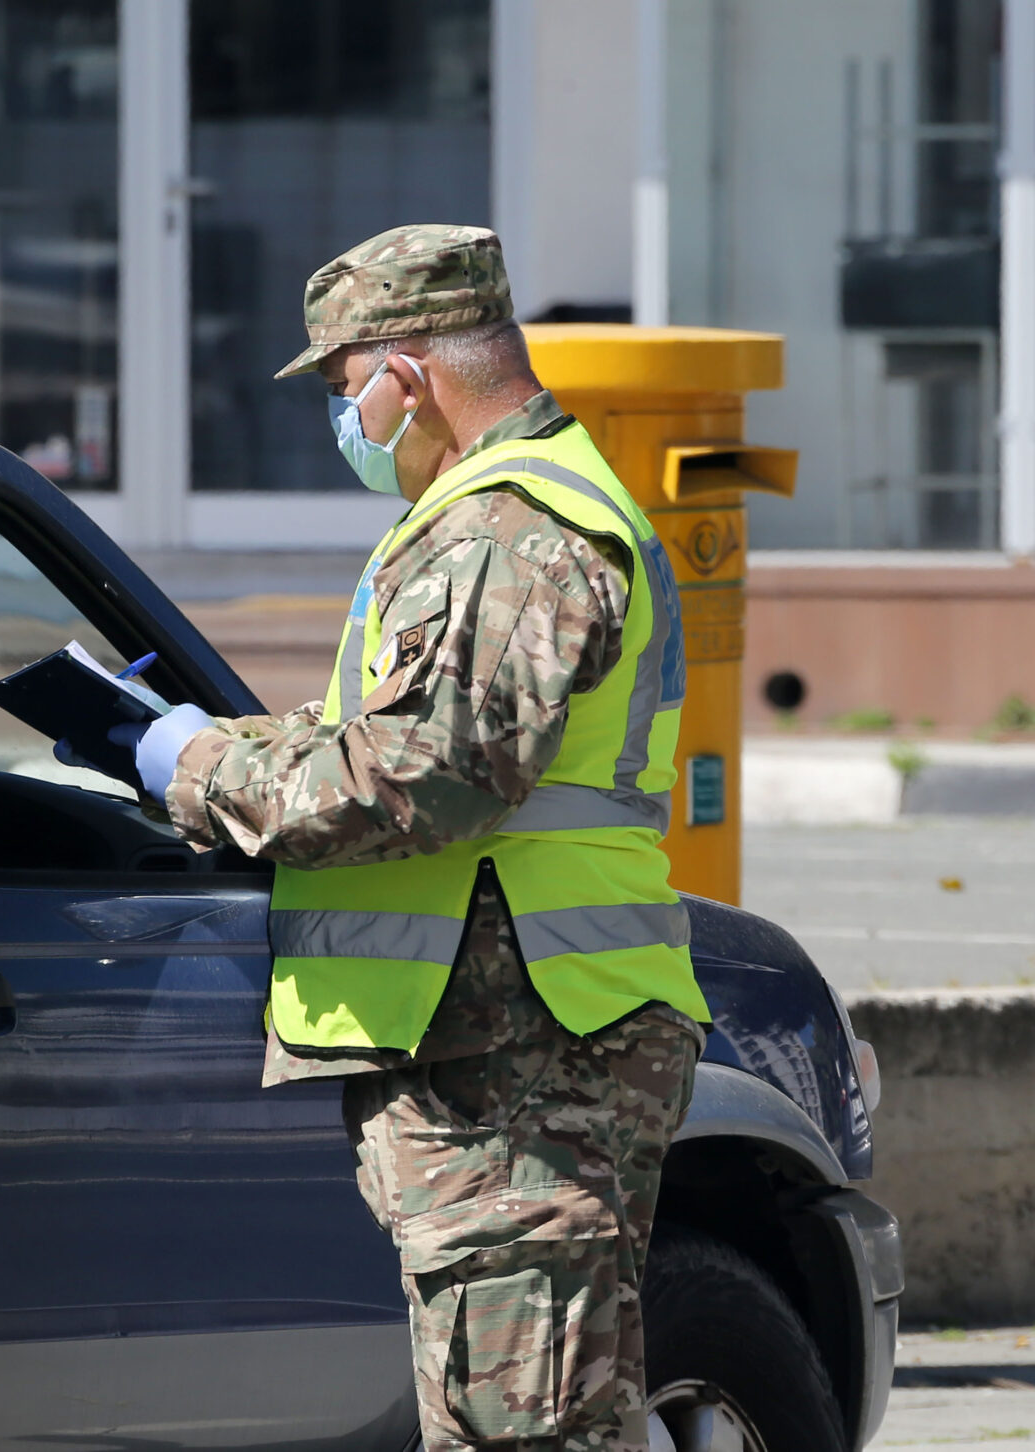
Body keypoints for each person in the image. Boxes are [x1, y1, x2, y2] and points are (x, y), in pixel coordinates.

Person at [121, 225, 712, 1450]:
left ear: (405, 373)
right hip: (514, 1050)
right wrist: (229, 745)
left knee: (525, 1434)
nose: (344, 423)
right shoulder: (497, 516)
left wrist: (196, 767)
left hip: (527, 1057)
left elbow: (426, 776)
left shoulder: (507, 529)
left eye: (344, 390)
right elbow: (406, 732)